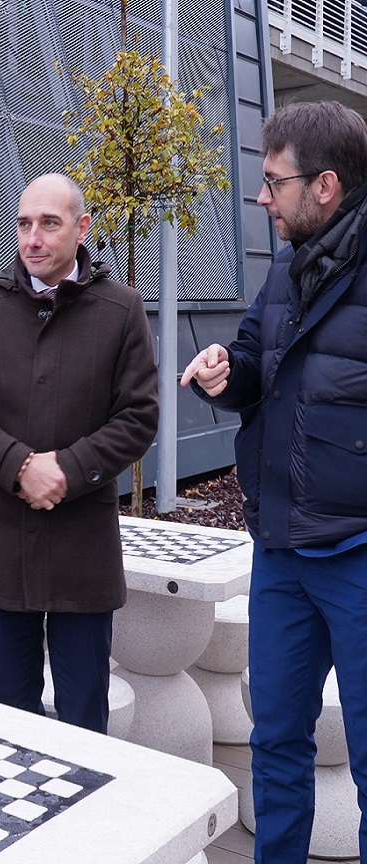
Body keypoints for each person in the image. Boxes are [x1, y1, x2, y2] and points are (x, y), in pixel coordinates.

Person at [180, 101, 367, 864]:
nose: (261, 198)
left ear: (325, 186)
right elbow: (257, 361)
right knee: (277, 741)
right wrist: (224, 371)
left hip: (357, 554)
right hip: (282, 550)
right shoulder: (286, 267)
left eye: (273, 182)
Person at [0, 173, 158, 734]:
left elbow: (138, 417)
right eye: (24, 224)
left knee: (85, 722)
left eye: (49, 224)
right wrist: (20, 467)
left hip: (81, 545)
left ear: (82, 228)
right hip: (2, 540)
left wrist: (65, 470)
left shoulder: (121, 309)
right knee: (11, 723)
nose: (33, 238)